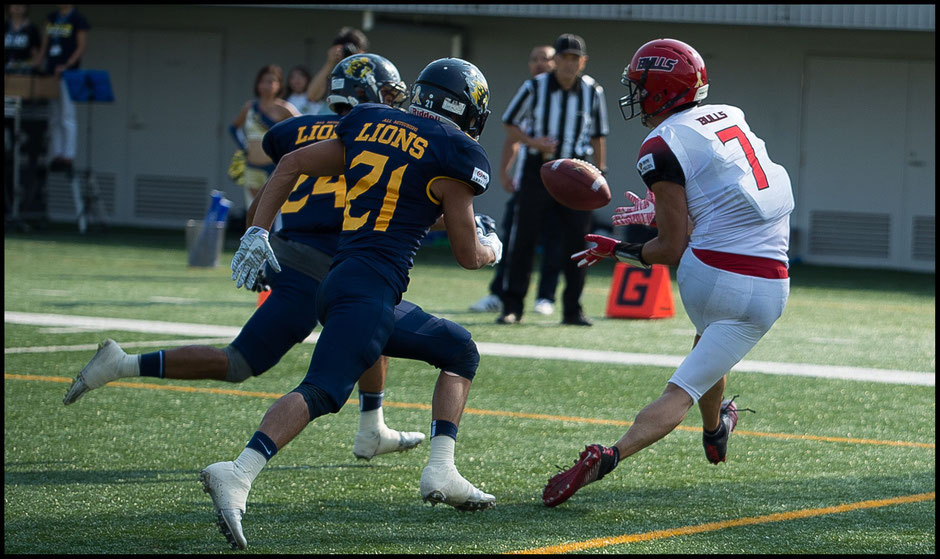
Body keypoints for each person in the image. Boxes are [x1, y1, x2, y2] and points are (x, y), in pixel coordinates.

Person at [62, 54, 424, 467]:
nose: (394, 101)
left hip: (291, 256)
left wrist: (255, 240)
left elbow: (271, 182)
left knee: (243, 360)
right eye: (390, 92)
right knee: (377, 317)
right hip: (335, 262)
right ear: (365, 92)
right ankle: (357, 431)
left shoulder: (294, 128)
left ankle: (124, 363)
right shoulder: (378, 135)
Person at [201, 57, 501, 549]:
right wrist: (494, 247)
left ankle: (441, 471)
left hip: (341, 279)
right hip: (369, 290)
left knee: (459, 349)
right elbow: (469, 256)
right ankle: (238, 470)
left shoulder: (372, 120)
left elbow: (292, 162)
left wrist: (257, 229)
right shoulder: (457, 150)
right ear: (469, 109)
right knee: (322, 390)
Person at [542, 38, 793, 507]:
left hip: (707, 276)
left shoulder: (659, 145)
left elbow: (673, 247)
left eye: (640, 86)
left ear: (659, 90)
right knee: (690, 379)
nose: (634, 95)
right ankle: (629, 450)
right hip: (768, 285)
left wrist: (619, 250)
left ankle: (709, 429)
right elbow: (728, 200)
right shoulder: (731, 115)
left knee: (701, 358)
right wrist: (658, 215)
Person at [497, 33, 609, 326]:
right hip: (540, 170)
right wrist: (534, 143)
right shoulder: (534, 87)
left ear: (582, 62)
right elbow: (509, 122)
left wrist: (600, 170)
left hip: (577, 174)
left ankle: (573, 309)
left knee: (578, 242)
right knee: (524, 239)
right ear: (555, 60)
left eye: (575, 59)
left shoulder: (593, 91)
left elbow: (598, 135)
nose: (569, 64)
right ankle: (512, 306)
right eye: (564, 58)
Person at [468, 44, 561, 316]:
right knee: (514, 238)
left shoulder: (560, 100)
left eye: (545, 58)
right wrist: (505, 172)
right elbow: (513, 137)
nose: (539, 63)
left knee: (553, 238)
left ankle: (546, 297)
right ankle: (499, 293)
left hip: (551, 180)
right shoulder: (531, 95)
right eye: (534, 59)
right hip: (527, 181)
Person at [229, 64, 299, 211]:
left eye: (271, 81)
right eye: (263, 81)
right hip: (251, 168)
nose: (266, 85)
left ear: (279, 85)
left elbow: (304, 128)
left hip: (274, 168)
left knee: (274, 212)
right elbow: (233, 128)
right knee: (253, 211)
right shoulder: (250, 107)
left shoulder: (285, 108)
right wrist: (244, 147)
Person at [35, 4, 90, 172]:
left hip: (69, 73)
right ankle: (56, 153)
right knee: (54, 115)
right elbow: (45, 44)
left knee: (68, 114)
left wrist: (68, 65)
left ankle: (68, 155)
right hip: (52, 72)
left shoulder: (78, 19)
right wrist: (36, 64)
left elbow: (81, 47)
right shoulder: (51, 18)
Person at [306, 26, 369, 114]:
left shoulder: (368, 73)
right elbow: (312, 96)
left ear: (363, 52)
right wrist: (330, 63)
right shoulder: (334, 72)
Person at [4, 5, 42, 74]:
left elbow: (35, 51)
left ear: (26, 7)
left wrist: (36, 67)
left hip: (24, 69)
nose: (17, 7)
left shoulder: (32, 29)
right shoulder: (5, 27)